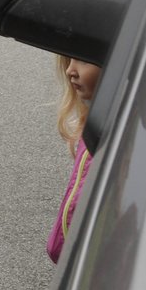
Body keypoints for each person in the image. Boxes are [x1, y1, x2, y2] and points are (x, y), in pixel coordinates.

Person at [48, 56, 101, 263]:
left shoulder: (115, 132)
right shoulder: (92, 123)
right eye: (69, 60)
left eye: (84, 60)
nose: (71, 70)